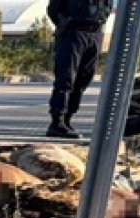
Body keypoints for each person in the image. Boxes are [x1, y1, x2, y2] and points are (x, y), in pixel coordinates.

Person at [45, 0, 113, 138]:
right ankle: (57, 122)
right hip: (74, 32)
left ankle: (67, 120)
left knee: (83, 80)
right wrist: (67, 23)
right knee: (66, 79)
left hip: (95, 34)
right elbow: (54, 10)